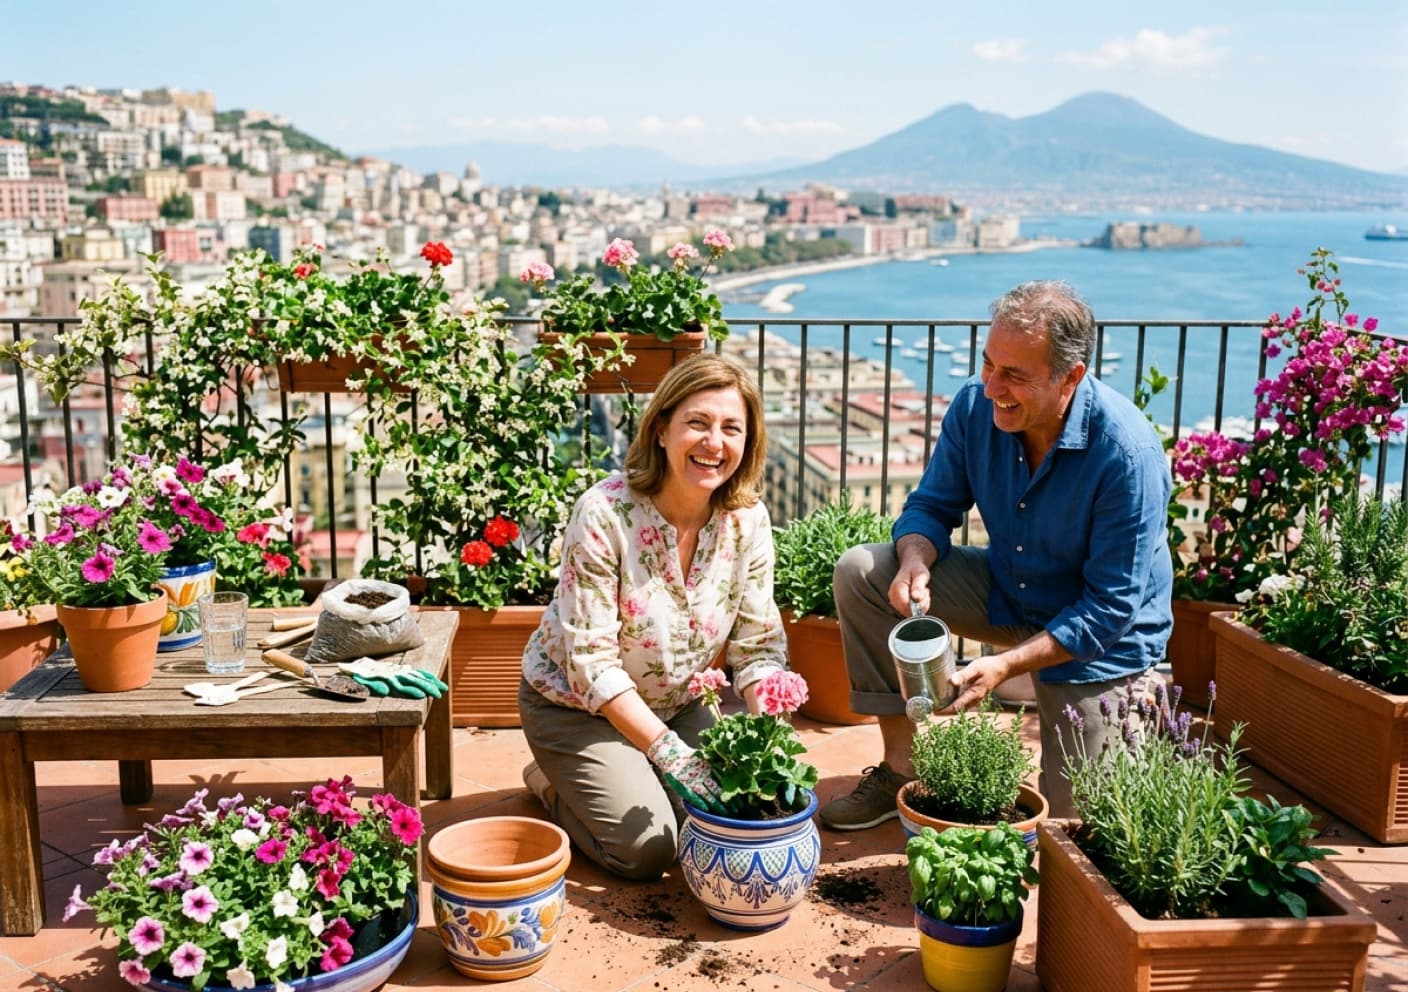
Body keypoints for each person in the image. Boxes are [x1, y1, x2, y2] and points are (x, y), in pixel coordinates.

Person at [820, 280, 1172, 830]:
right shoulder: (972, 408)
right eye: (988, 365)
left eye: (1014, 375)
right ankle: (900, 765)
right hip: (1012, 591)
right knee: (863, 572)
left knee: (1082, 832)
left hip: (1101, 643)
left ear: (1070, 378)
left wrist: (1004, 666)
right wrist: (914, 558)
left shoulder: (1127, 454)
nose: (992, 388)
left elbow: (1109, 608)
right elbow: (931, 506)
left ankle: (1116, 703)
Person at [518, 352, 788, 879]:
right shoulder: (604, 513)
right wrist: (672, 756)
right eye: (698, 423)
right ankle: (552, 782)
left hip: (679, 704)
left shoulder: (749, 521)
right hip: (576, 708)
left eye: (732, 428)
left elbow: (757, 647)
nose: (715, 442)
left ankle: (628, 772)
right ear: (662, 428)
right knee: (648, 851)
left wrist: (767, 737)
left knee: (728, 815)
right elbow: (592, 665)